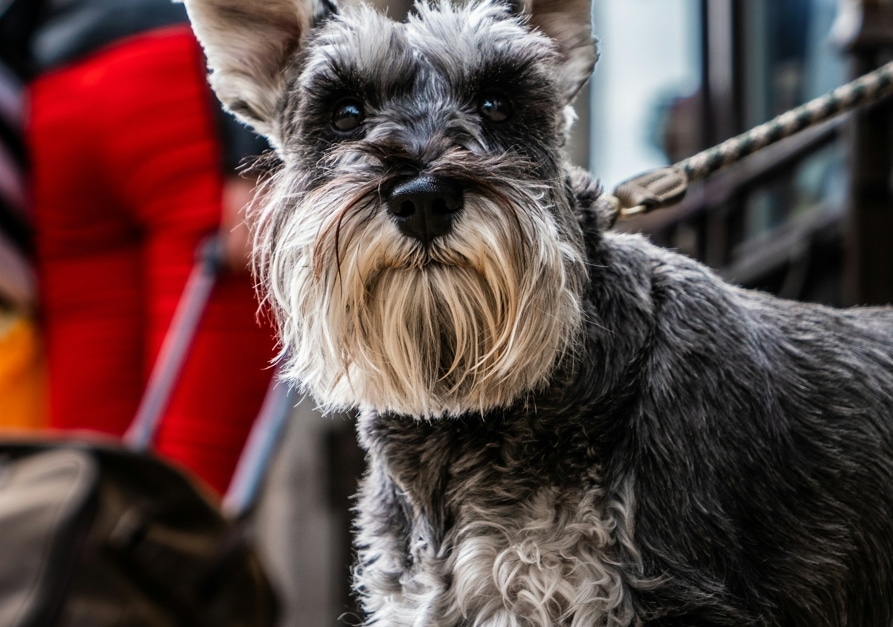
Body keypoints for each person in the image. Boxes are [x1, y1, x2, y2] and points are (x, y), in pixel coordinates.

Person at [23, 0, 277, 494]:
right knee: (192, 479)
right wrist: (254, 157)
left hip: (56, 94)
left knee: (77, 469)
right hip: (171, 81)